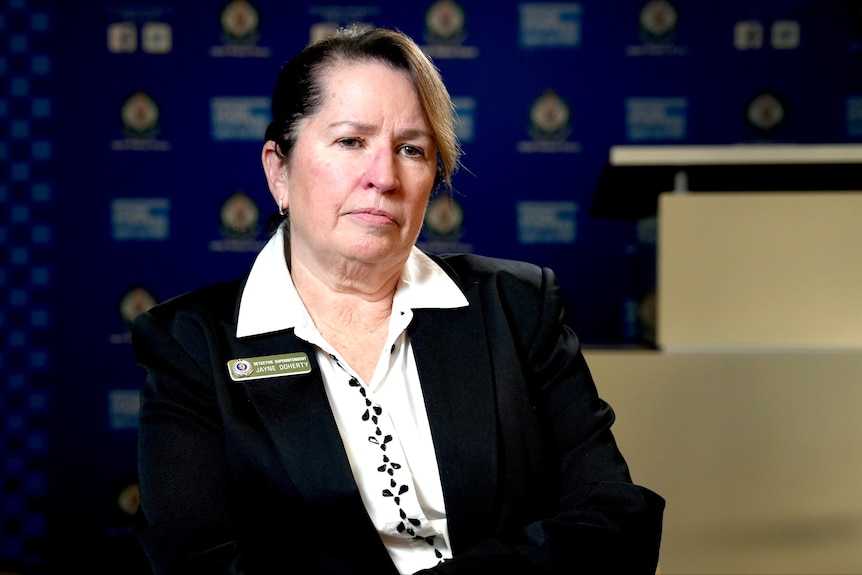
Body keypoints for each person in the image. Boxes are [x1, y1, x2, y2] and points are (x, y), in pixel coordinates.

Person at [132, 25, 665, 575]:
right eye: (350, 141)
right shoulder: (189, 344)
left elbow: (614, 521)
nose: (383, 177)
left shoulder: (519, 307)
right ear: (279, 171)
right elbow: (196, 561)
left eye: (411, 150)